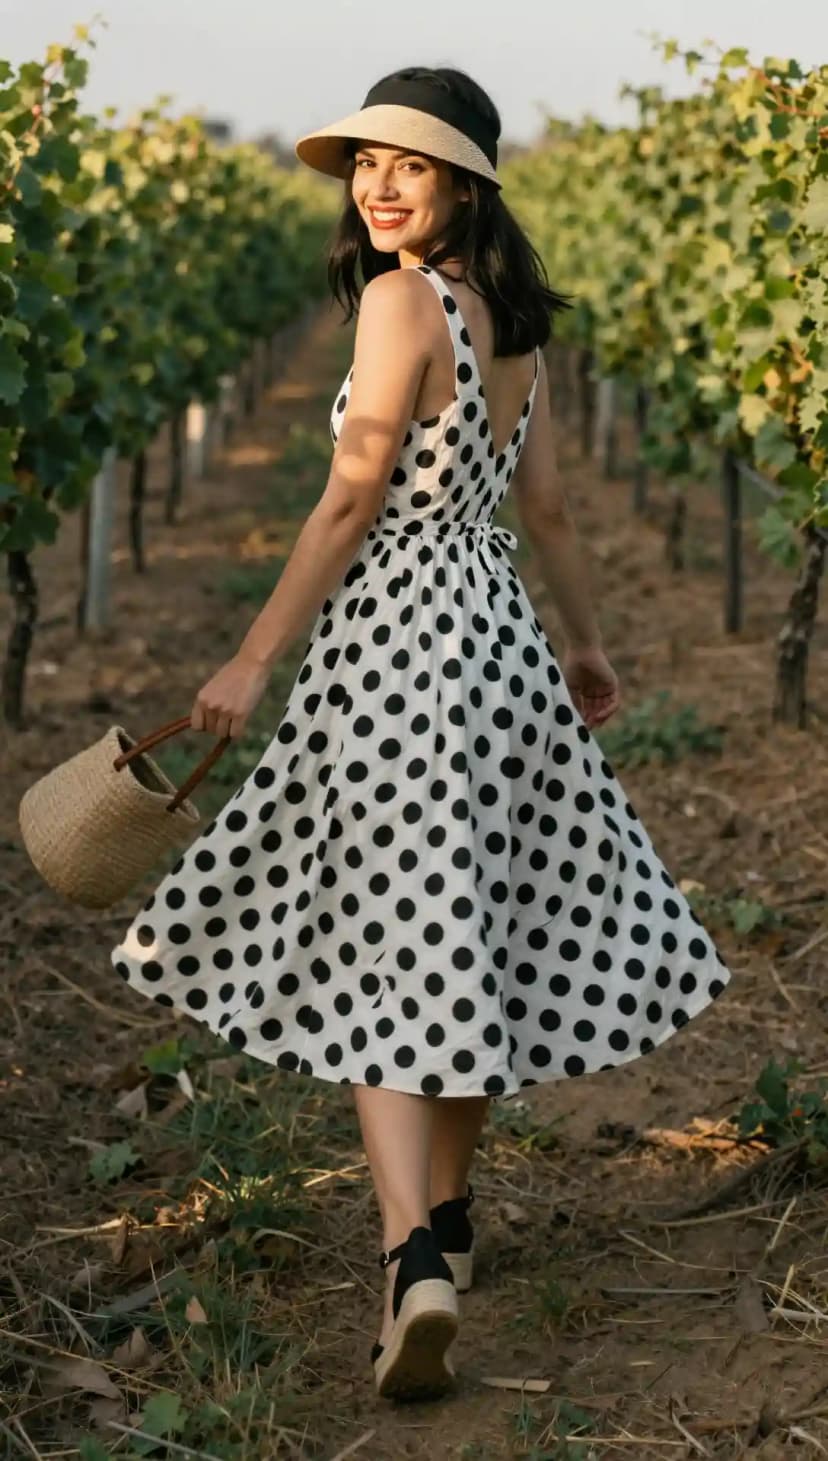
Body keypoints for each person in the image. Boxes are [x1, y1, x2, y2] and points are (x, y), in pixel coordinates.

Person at [110, 65, 732, 1403]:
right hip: (498, 643)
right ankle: (445, 1222)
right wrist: (582, 643)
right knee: (469, 934)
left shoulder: (398, 303)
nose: (381, 186)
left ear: (464, 185)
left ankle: (407, 1258)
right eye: (367, 165)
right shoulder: (513, 324)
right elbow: (547, 511)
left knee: (381, 948)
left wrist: (249, 651)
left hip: (396, 646)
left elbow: (350, 496)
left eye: (414, 165)